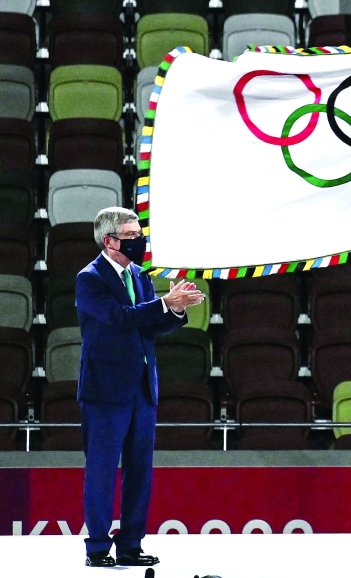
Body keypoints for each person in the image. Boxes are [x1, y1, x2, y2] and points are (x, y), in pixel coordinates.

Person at [76, 207, 205, 568]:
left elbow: (149, 325)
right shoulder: (90, 278)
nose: (139, 241)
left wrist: (175, 311)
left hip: (143, 388)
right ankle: (98, 548)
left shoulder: (140, 275)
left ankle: (131, 544)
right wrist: (163, 303)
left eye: (138, 233)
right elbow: (120, 319)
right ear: (109, 240)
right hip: (105, 390)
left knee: (139, 470)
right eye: (131, 235)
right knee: (101, 471)